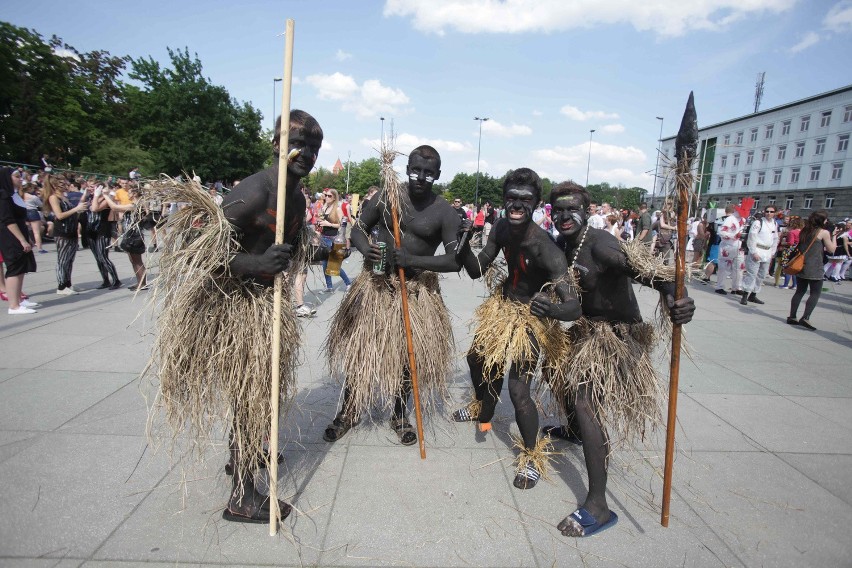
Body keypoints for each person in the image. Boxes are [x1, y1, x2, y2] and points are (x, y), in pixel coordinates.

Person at [542, 181, 695, 537]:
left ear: (588, 208)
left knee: (585, 402)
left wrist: (677, 297)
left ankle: (598, 504)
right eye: (558, 210)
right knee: (554, 370)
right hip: (583, 334)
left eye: (572, 208)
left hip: (617, 337)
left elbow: (656, 276)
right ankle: (574, 431)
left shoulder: (602, 244)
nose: (565, 216)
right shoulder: (559, 245)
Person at [323, 145, 461, 446]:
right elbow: (359, 228)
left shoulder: (444, 211)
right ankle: (349, 410)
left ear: (437, 174)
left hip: (414, 293)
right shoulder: (388, 195)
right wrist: (365, 248)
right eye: (415, 170)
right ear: (407, 168)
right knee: (362, 352)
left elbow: (454, 260)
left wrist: (414, 261)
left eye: (428, 173)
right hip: (376, 286)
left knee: (406, 358)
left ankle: (399, 413)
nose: (420, 177)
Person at [453, 168, 580, 490]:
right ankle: (483, 404)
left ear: (537, 203)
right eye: (511, 198)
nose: (516, 205)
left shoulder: (545, 248)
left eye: (525, 200)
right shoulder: (500, 228)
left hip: (531, 319)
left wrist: (551, 308)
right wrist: (464, 244)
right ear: (504, 199)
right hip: (503, 308)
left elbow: (573, 306)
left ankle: (532, 456)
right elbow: (475, 269)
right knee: (475, 360)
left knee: (519, 390)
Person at [787, 211, 841, 331]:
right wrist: (834, 236)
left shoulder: (804, 231)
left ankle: (792, 316)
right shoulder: (823, 232)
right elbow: (832, 249)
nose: (827, 222)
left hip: (801, 265)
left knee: (799, 292)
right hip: (815, 267)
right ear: (821, 221)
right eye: (826, 220)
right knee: (815, 293)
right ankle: (805, 317)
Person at [0, 168, 40, 314]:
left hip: (20, 233)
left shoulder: (14, 194)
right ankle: (13, 305)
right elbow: (8, 220)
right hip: (10, 236)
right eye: (17, 177)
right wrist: (22, 239)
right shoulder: (3, 195)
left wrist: (27, 237)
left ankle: (18, 300)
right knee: (14, 267)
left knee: (21, 268)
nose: (20, 179)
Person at [42, 174, 87, 295]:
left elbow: (70, 213)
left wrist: (78, 211)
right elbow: (59, 215)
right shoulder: (53, 197)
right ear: (55, 185)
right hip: (62, 232)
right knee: (62, 259)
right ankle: (61, 286)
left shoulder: (64, 197)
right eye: (63, 183)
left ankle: (68, 283)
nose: (66, 185)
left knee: (69, 259)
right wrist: (76, 209)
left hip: (71, 230)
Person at [102, 188, 147, 291]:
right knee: (134, 260)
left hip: (134, 236)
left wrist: (105, 195)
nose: (128, 194)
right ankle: (140, 282)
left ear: (135, 194)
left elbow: (114, 207)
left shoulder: (134, 205)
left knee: (137, 261)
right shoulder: (137, 204)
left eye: (130, 192)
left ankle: (142, 283)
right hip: (132, 235)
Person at [740, 206, 779, 305]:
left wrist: (772, 252)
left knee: (761, 275)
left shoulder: (775, 223)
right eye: (767, 211)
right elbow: (752, 237)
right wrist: (753, 252)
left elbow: (775, 238)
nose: (769, 213)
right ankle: (745, 294)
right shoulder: (758, 222)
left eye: (771, 212)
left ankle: (753, 294)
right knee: (751, 274)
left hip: (767, 252)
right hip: (757, 250)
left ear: (775, 213)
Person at [316, 188, 352, 293]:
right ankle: (329, 286)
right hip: (324, 237)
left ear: (334, 197)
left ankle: (348, 283)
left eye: (329, 196)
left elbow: (342, 225)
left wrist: (329, 224)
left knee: (334, 264)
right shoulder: (324, 207)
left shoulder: (337, 209)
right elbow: (321, 220)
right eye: (326, 195)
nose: (327, 197)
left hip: (333, 239)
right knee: (324, 264)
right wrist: (320, 223)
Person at [88, 185, 122, 289]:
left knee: (103, 256)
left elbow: (94, 208)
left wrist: (98, 195)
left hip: (102, 229)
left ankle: (116, 280)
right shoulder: (93, 198)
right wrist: (91, 195)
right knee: (98, 258)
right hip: (91, 229)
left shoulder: (108, 197)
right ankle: (105, 280)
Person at [714, 204, 745, 295]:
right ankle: (720, 286)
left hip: (739, 246)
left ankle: (737, 287)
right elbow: (721, 231)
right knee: (724, 267)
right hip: (728, 246)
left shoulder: (743, 220)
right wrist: (733, 235)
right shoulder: (730, 219)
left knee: (739, 267)